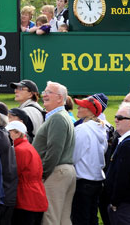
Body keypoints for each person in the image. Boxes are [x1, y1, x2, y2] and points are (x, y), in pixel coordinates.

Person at [32, 81, 76, 225]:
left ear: (60, 98)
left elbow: (54, 150)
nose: (44, 95)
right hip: (62, 171)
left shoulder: (58, 118)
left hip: (55, 172)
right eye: (44, 91)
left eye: (49, 92)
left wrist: (43, 173)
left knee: (50, 218)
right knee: (62, 218)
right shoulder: (60, 116)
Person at [71, 96, 108, 225]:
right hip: (97, 180)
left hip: (83, 181)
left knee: (81, 219)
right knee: (92, 217)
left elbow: (74, 156)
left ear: (90, 111)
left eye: (82, 106)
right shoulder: (101, 128)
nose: (78, 108)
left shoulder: (82, 129)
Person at [6, 121, 48, 225]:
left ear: (17, 133)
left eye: (8, 132)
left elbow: (13, 173)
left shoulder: (19, 150)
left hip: (25, 199)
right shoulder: (28, 147)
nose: (6, 135)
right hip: (36, 196)